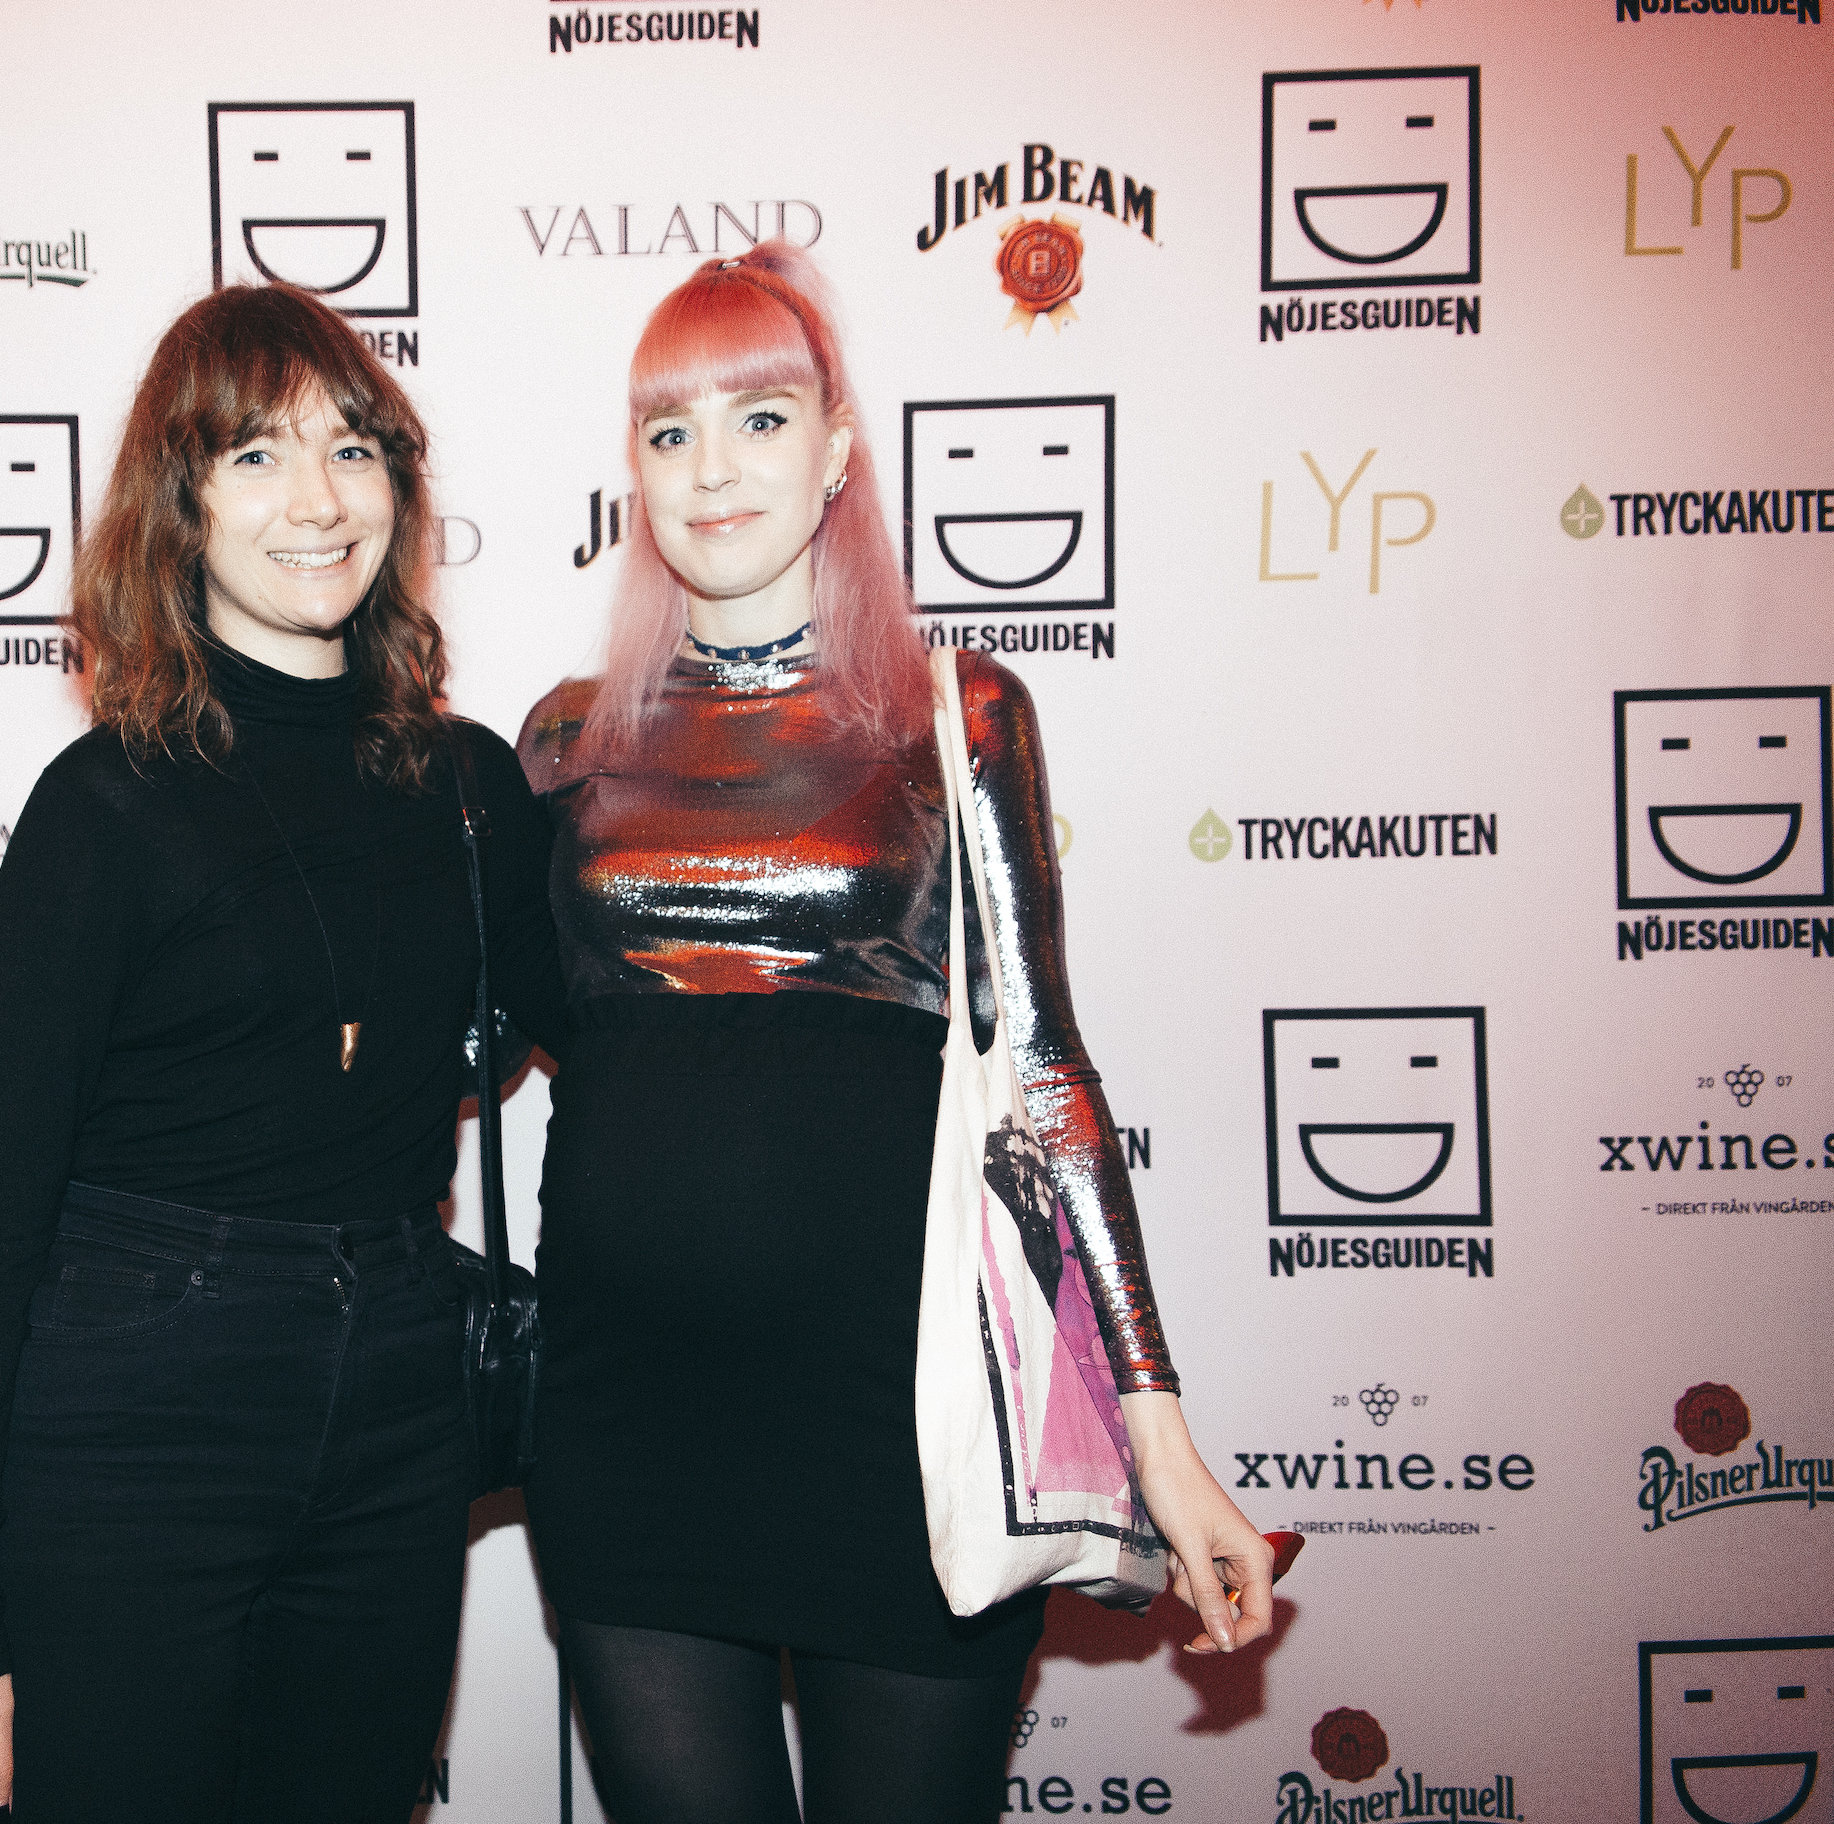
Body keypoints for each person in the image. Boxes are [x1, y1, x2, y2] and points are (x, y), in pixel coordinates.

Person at [518, 243, 1275, 1824]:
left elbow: (1046, 1067)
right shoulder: (566, 738)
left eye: (759, 419)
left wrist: (1157, 1428)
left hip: (909, 1433)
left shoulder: (957, 713)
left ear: (837, 452)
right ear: (634, 474)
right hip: (627, 1419)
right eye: (669, 432)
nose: (712, 470)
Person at [0, 280, 565, 1824]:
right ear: (179, 505)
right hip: (142, 1408)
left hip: (398, 1399)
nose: (318, 500)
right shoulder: (107, 806)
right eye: (256, 456)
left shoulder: (468, 790)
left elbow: (620, 1032)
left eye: (352, 449)